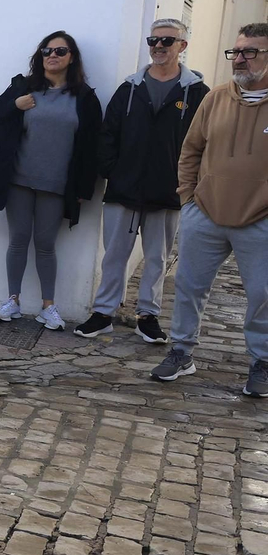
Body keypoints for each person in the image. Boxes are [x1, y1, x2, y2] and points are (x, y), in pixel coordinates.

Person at [150, 23, 268, 395]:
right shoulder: (215, 99)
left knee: (263, 294)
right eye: (237, 51)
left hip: (260, 220)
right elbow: (191, 150)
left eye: (250, 52)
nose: (240, 59)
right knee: (188, 286)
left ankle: (261, 363)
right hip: (205, 212)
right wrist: (188, 200)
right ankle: (181, 352)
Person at [76, 19, 207, 342]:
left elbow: (205, 140)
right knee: (114, 256)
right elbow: (108, 134)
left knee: (156, 259)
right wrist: (113, 172)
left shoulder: (198, 94)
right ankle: (103, 312)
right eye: (153, 40)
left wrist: (188, 183)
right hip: (124, 189)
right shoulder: (130, 89)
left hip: (168, 191)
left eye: (167, 41)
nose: (158, 46)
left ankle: (148, 315)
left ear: (182, 46)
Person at [0, 30, 101, 331]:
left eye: (60, 51)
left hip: (56, 185)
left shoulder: (83, 98)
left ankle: (48, 307)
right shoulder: (24, 87)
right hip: (18, 179)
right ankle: (13, 301)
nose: (52, 56)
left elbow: (92, 146)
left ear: (72, 57)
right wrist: (14, 106)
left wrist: (83, 188)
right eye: (47, 51)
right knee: (17, 241)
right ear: (39, 56)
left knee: (45, 245)